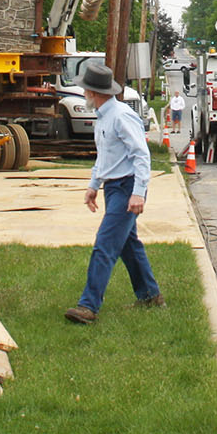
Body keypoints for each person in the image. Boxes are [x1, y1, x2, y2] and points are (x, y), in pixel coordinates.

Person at [65, 62, 161, 324]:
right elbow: (105, 156)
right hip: (114, 188)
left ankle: (88, 306)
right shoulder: (103, 116)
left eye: (85, 89)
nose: (83, 93)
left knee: (105, 245)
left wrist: (139, 193)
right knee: (128, 244)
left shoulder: (121, 116)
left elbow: (141, 155)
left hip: (128, 187)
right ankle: (150, 295)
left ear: (94, 93)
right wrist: (94, 185)